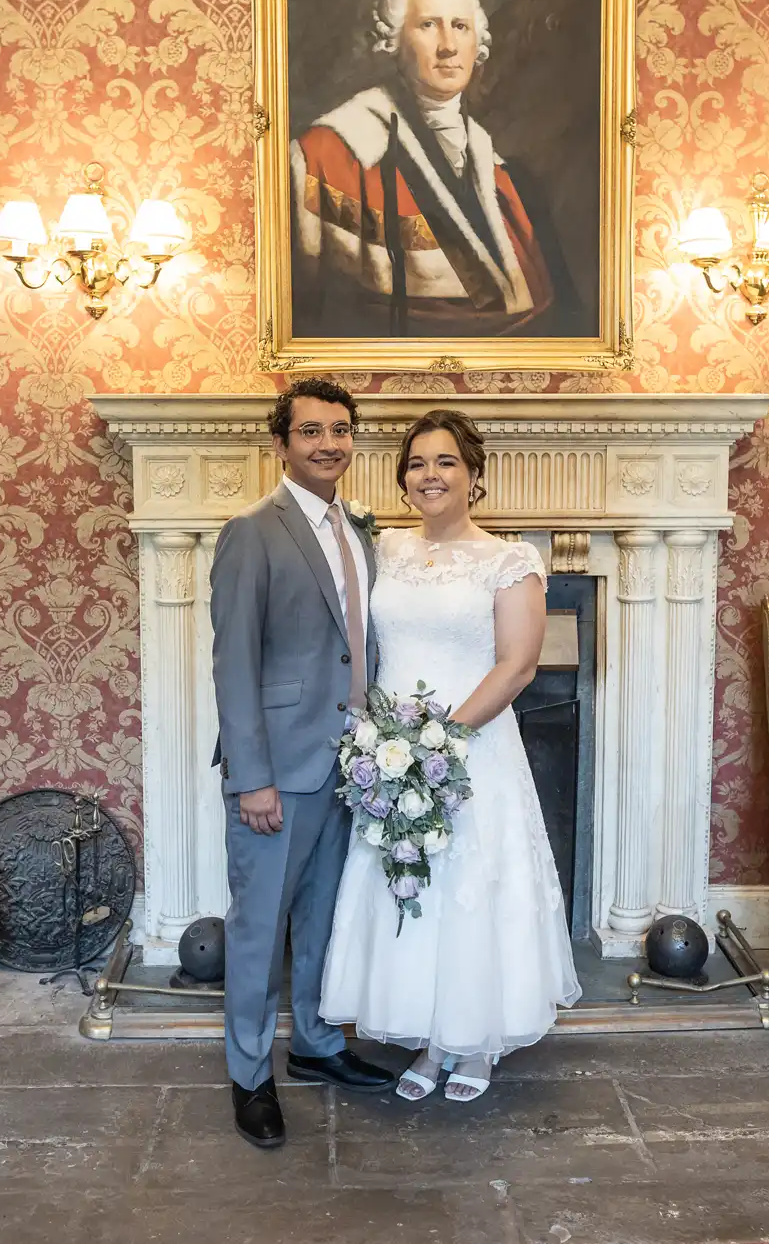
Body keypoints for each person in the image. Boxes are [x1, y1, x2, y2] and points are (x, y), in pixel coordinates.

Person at [320, 408, 582, 1100]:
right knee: (410, 885)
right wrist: (385, 744)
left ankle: (472, 1044)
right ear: (403, 480)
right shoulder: (385, 550)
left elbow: (518, 665)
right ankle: (428, 1042)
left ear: (474, 475)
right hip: (390, 751)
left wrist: (439, 741)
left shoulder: (509, 560)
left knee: (470, 890)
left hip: (474, 751)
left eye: (444, 462)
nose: (428, 475)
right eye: (416, 463)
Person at [209, 378, 398, 1148]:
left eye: (342, 430)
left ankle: (317, 1045)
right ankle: (250, 1074)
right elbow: (234, 661)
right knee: (260, 929)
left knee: (322, 917)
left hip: (350, 764)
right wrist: (250, 776)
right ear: (281, 442)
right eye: (312, 430)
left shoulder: (359, 528)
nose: (329, 443)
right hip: (278, 772)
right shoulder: (252, 530)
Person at [290, 0, 586, 338]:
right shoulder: (328, 156)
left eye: (460, 27)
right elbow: (306, 312)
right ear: (394, 40)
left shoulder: (512, 180)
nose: (448, 46)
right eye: (428, 25)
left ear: (478, 44)